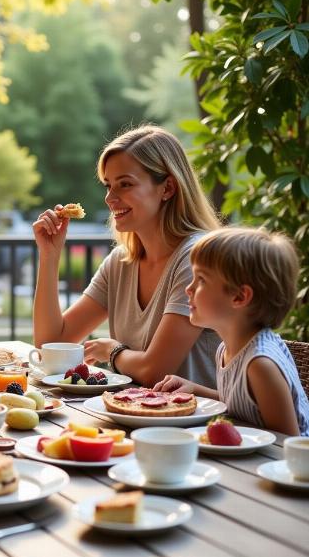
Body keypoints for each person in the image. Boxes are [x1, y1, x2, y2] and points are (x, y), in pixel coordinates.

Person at [33, 125, 221, 388]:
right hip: (135, 416)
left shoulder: (197, 258)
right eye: (108, 185)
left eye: (125, 184)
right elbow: (50, 343)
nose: (110, 198)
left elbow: (156, 372)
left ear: (167, 188)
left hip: (198, 422)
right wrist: (49, 256)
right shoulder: (121, 262)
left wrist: (112, 351)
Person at [153, 227, 309, 436]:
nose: (188, 289)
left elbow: (287, 444)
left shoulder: (260, 364)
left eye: (201, 280)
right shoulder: (226, 348)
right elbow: (244, 405)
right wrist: (195, 389)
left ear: (239, 297)